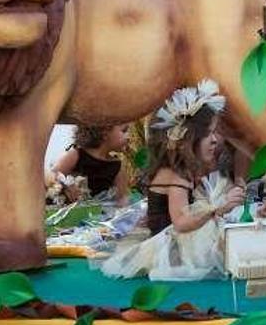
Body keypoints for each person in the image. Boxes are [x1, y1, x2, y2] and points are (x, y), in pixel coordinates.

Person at [100, 80, 245, 280]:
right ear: (188, 139)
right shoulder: (176, 175)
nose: (214, 140)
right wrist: (218, 209)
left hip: (177, 241)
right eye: (208, 134)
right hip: (169, 248)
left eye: (215, 133)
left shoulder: (183, 171)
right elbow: (181, 223)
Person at [47, 124, 131, 206]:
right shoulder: (76, 155)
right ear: (104, 133)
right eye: (124, 131)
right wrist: (66, 188)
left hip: (99, 216)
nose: (128, 137)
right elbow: (51, 178)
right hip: (71, 211)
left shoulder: (116, 165)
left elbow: (122, 198)